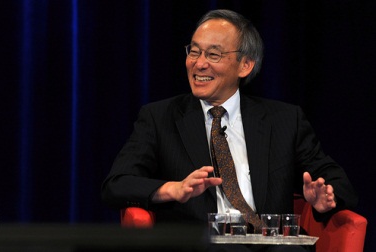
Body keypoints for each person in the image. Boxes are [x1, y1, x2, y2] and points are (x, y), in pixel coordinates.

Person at [102, 9, 358, 252]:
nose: (199, 64)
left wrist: (325, 198)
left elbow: (335, 180)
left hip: (273, 243)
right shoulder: (159, 118)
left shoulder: (284, 119)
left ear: (245, 65)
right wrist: (173, 189)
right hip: (202, 243)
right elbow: (116, 185)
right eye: (194, 52)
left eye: (213, 55)